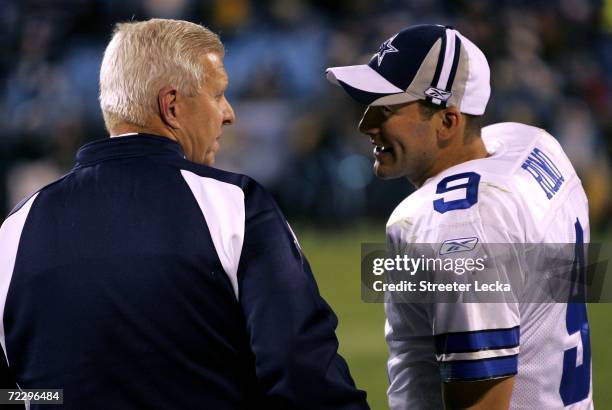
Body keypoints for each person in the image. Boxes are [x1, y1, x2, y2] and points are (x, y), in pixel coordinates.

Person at [0, 18, 369, 409]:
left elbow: (9, 396)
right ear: (172, 106)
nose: (229, 113)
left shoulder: (15, 229)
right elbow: (303, 374)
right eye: (218, 95)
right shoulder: (234, 205)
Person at [326, 24, 592, 409]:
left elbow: (482, 401)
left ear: (448, 121)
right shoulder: (535, 147)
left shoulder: (457, 221)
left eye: (387, 108)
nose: (366, 124)